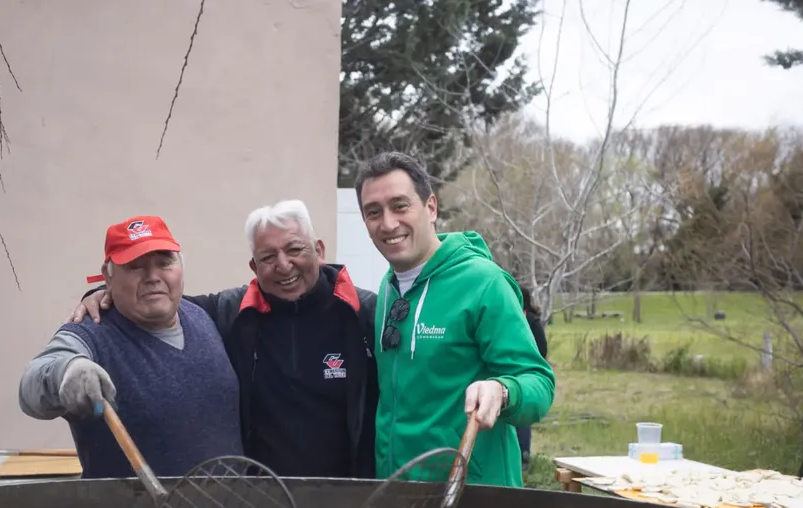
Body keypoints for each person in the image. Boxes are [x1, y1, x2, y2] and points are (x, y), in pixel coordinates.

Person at [69, 200, 378, 479]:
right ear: (254, 268)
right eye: (268, 257)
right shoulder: (232, 312)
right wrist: (104, 293)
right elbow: (158, 301)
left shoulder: (364, 313)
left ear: (319, 251)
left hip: (350, 497)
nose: (283, 265)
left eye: (295, 249)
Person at [355, 151, 556, 488]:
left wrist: (503, 390)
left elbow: (539, 383)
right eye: (374, 212)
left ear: (431, 207)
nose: (388, 223)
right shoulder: (389, 288)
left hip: (472, 497)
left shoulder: (484, 283)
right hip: (398, 495)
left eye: (400, 206)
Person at [19, 215, 244, 479]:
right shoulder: (91, 333)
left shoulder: (201, 316)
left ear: (181, 268)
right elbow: (32, 384)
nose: (152, 277)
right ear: (108, 277)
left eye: (164, 263)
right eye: (136, 266)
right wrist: (67, 370)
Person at [517, 283, 549, 471]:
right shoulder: (510, 318)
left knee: (523, 417)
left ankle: (524, 455)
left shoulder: (531, 320)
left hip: (527, 372)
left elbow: (542, 349)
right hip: (510, 372)